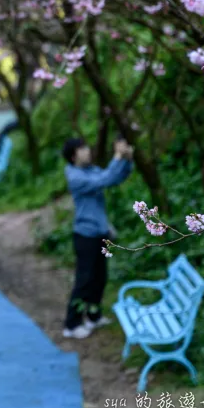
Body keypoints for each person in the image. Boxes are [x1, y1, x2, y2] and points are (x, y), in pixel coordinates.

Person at [61, 136, 134, 339]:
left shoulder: (90, 170)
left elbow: (114, 178)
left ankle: (93, 315)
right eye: (83, 149)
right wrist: (117, 157)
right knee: (84, 280)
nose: (88, 151)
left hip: (101, 232)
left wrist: (126, 160)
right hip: (85, 235)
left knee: (100, 277)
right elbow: (104, 180)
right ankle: (71, 323)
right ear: (73, 156)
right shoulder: (75, 177)